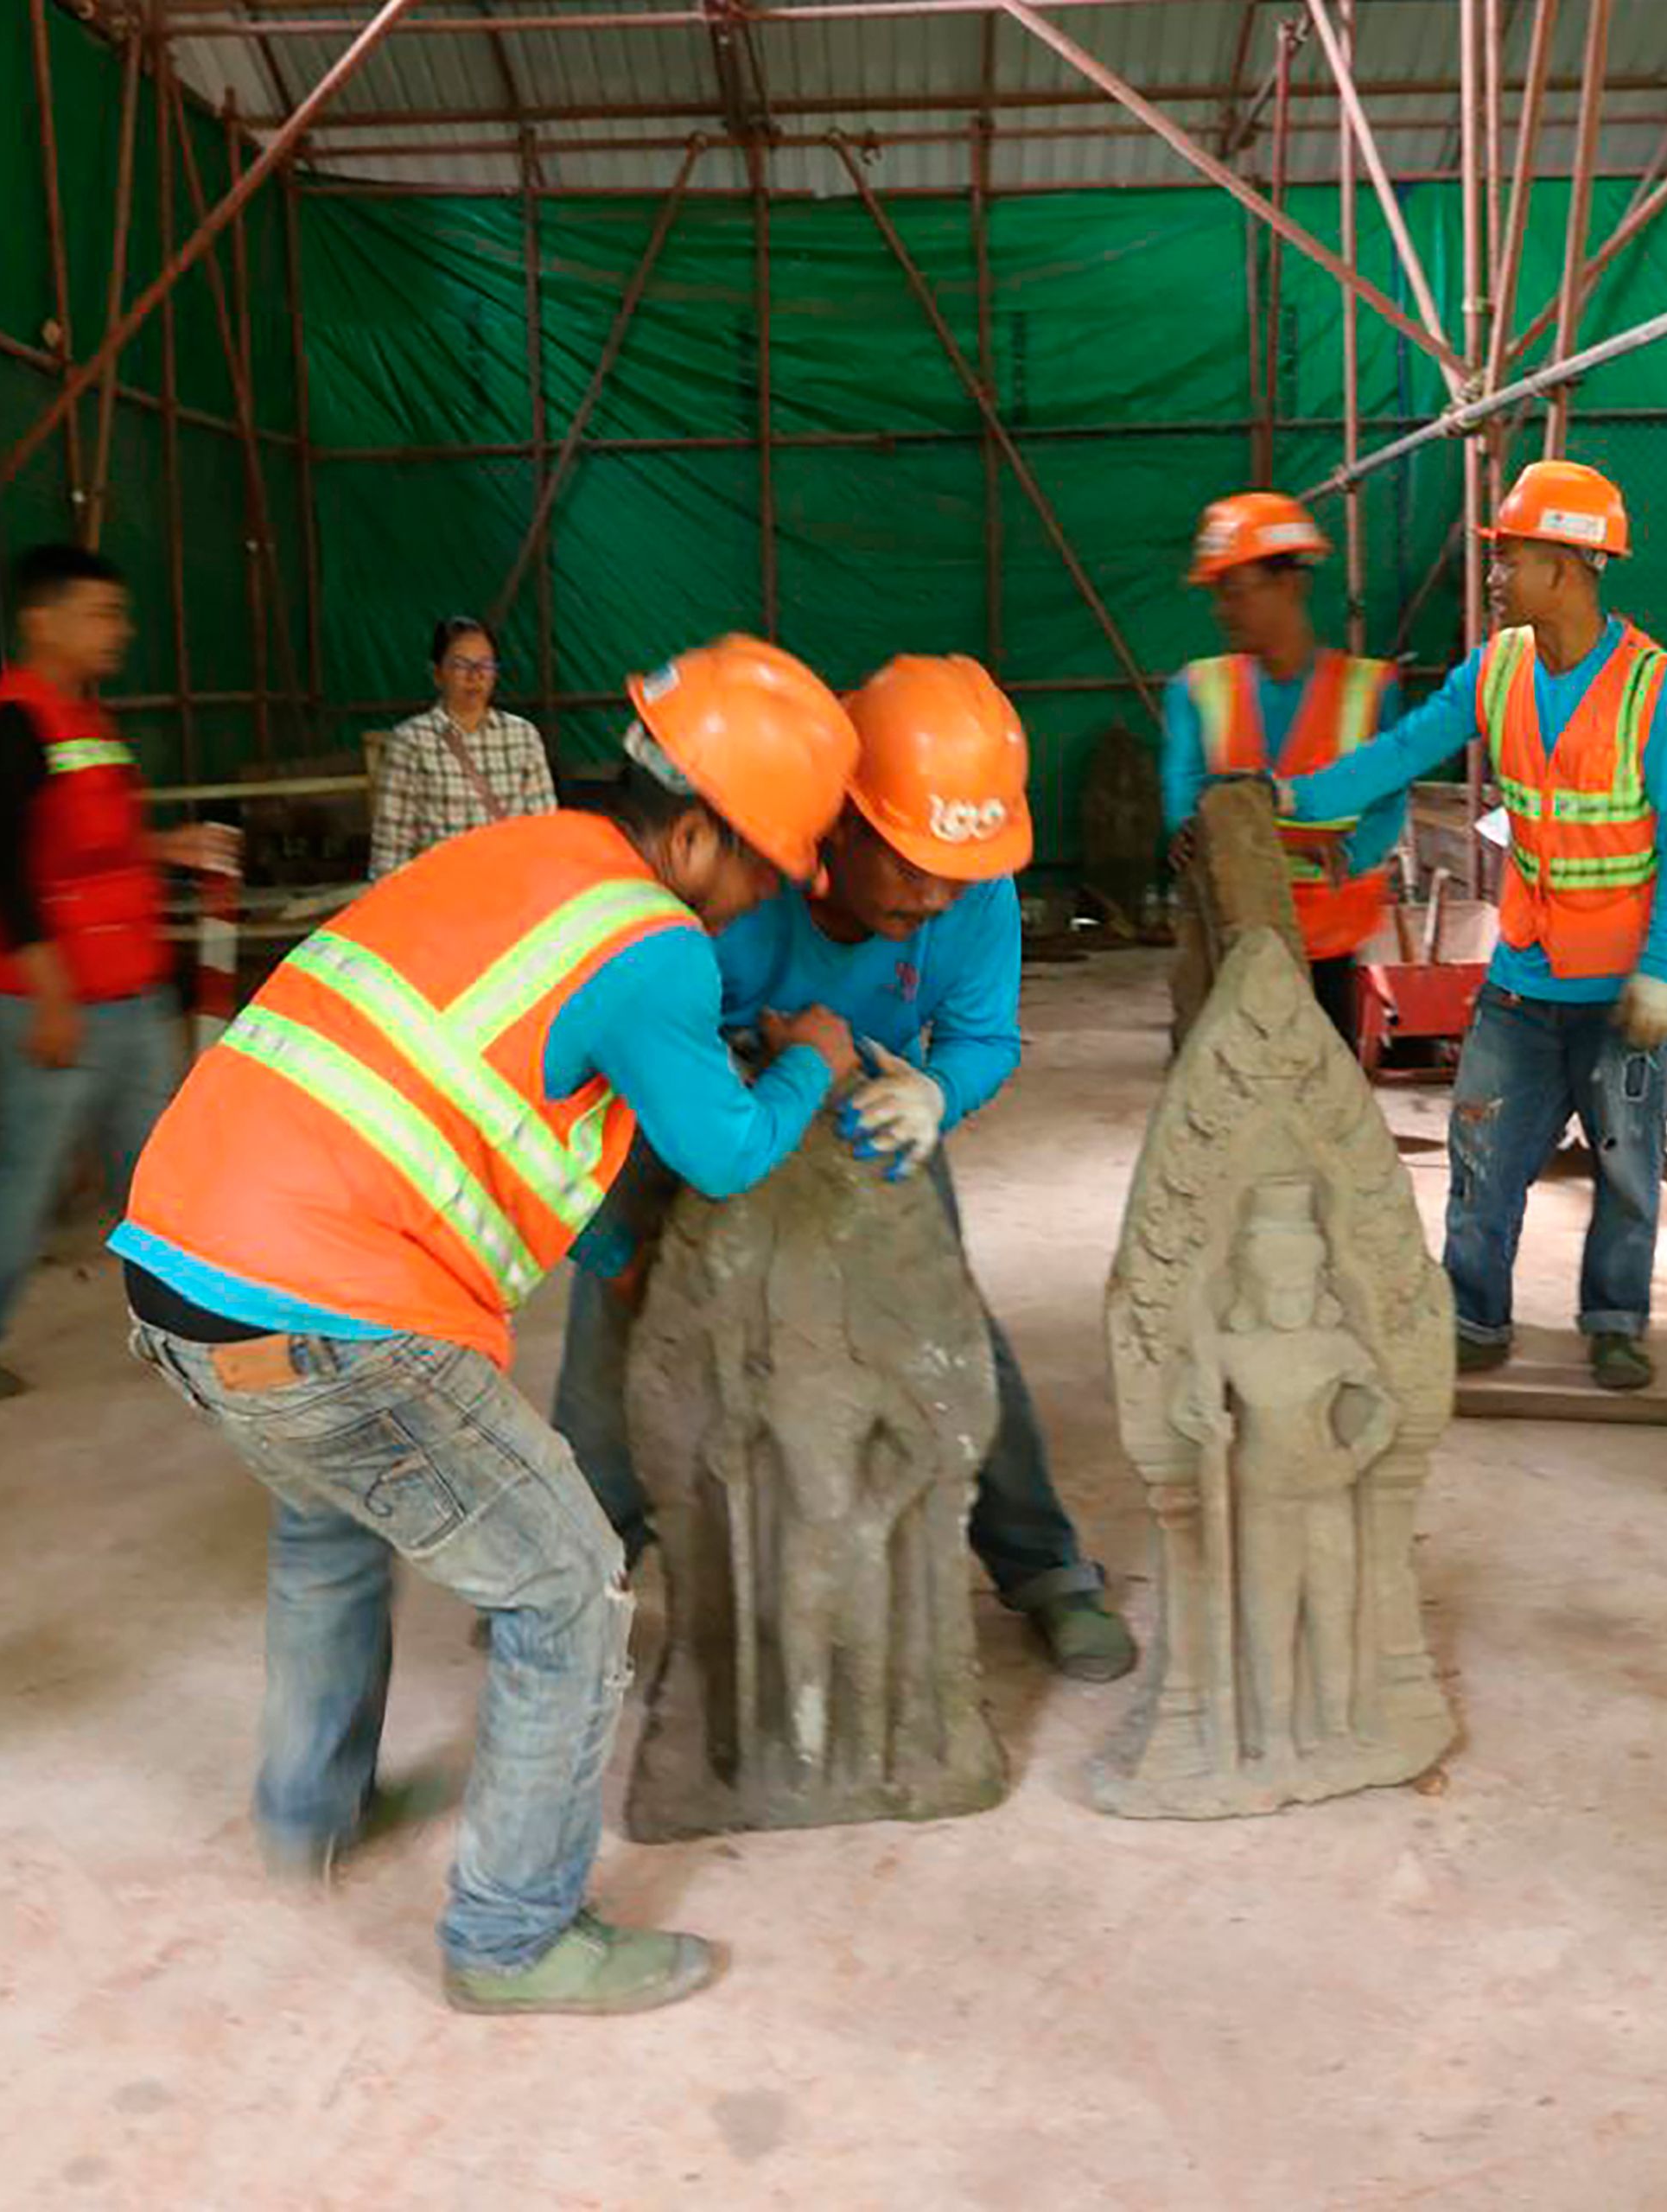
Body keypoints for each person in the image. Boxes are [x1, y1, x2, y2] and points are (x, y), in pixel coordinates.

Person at [110, 634, 861, 2018]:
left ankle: (310, 1808)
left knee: (331, 1512)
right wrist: (817, 1046)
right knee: (568, 1585)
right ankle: (513, 1936)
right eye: (762, 867)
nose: (760, 901)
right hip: (329, 1304)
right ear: (693, 834)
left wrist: (611, 1241)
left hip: (175, 1270)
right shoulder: (650, 948)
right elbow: (730, 1146)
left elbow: (490, 1092)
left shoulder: (510, 861)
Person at [554, 654, 1137, 1682]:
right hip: (696, 1117)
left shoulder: (972, 894)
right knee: (619, 1332)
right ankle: (579, 1577)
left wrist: (935, 1097)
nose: (937, 895)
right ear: (838, 828)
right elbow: (639, 1042)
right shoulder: (739, 872)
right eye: (911, 864)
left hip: (871, 1120)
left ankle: (1045, 1567)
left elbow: (986, 1038)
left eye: (957, 874)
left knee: (954, 1337)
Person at [1269, 460, 1667, 1393]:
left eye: (1512, 558)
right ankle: (1472, 1316)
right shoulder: (1497, 668)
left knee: (1628, 1172)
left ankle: (1616, 1322)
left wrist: (1664, 968)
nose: (1497, 576)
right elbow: (1401, 752)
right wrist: (1293, 802)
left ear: (1571, 565)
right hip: (1523, 976)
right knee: (1481, 1157)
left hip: (1626, 986)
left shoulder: (1654, 691)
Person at [0, 544, 239, 1402]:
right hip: (48, 996)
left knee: (160, 1168)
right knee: (24, 1178)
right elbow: (6, 868)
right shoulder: (12, 722)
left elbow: (90, 842)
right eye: (100, 614)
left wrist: (164, 846)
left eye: (119, 615)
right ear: (41, 620)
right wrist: (51, 1000)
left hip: (129, 991)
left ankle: (195, 1325)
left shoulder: (88, 723)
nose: (117, 631)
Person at [1161, 493, 1407, 1040]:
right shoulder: (1197, 690)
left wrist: (1345, 855)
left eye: (1236, 591)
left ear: (1290, 585)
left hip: (1333, 942)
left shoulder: (1370, 689)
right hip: (1229, 933)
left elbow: (1389, 802)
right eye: (1219, 594)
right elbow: (1183, 806)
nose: (1223, 609)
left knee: (1322, 1100)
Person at [368, 616, 556, 878]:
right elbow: (390, 851)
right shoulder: (411, 741)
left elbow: (543, 832)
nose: (475, 675)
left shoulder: (523, 736)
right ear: (437, 674)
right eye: (460, 665)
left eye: (485, 665)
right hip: (441, 897)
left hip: (510, 892)